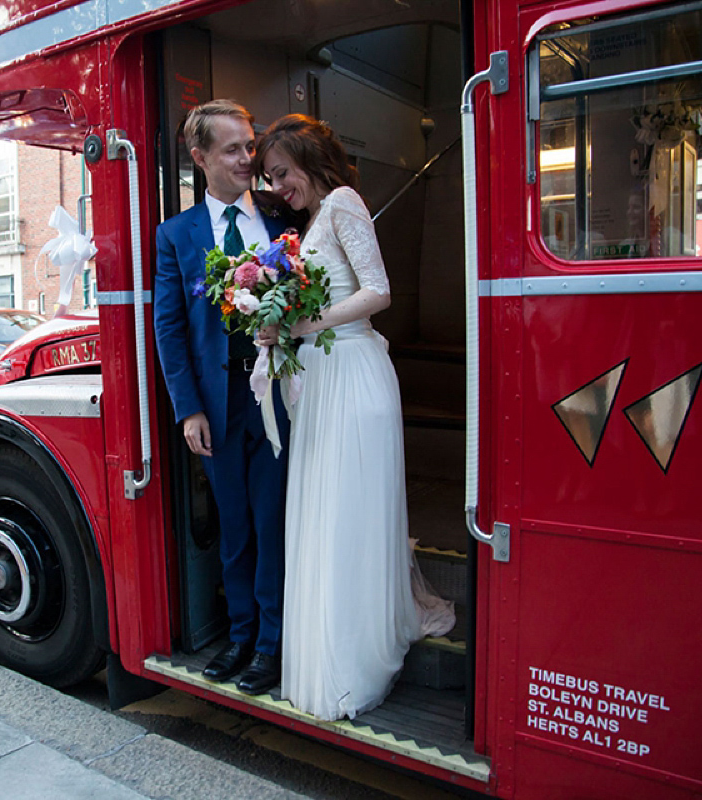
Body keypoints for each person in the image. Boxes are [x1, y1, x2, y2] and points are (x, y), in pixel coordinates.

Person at [255, 114, 451, 721]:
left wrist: (300, 324)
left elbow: (379, 291)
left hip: (352, 372)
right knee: (327, 516)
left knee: (347, 518)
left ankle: (353, 662)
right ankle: (328, 654)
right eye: (270, 178)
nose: (278, 188)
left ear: (309, 159)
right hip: (321, 379)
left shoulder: (342, 203)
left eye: (282, 173)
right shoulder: (312, 221)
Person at [153, 100, 295, 696]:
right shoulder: (175, 236)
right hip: (217, 404)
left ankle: (272, 643)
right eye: (233, 148)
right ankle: (240, 635)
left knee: (273, 521)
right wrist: (187, 408)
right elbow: (169, 327)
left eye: (250, 144)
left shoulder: (282, 213)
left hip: (278, 397)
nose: (248, 158)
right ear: (200, 157)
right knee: (235, 526)